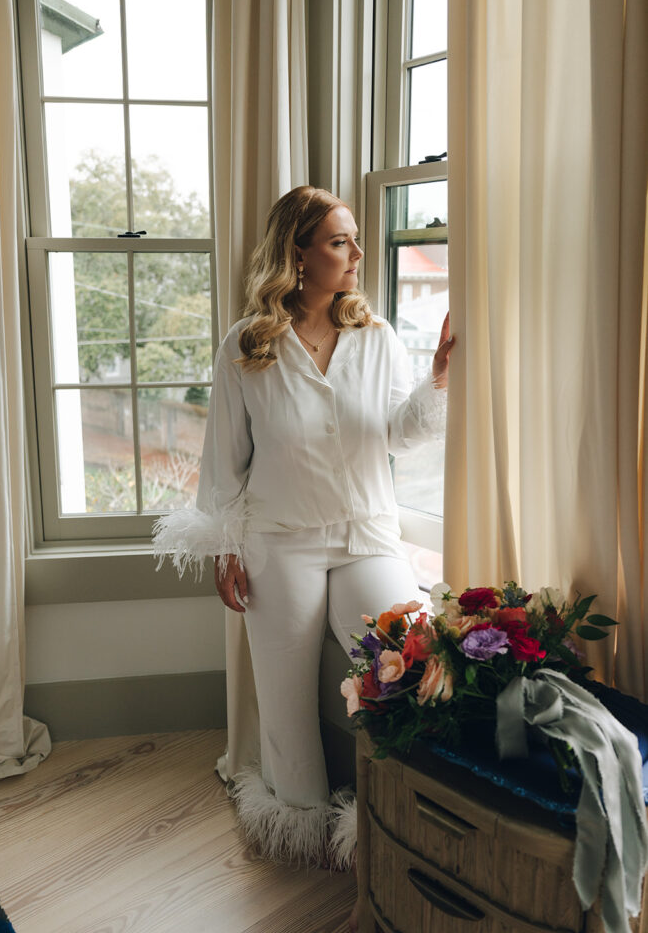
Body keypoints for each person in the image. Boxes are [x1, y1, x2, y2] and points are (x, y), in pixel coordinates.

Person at [153, 185, 453, 876]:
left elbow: (397, 436)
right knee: (284, 696)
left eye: (352, 240)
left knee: (402, 665)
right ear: (298, 253)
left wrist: (437, 380)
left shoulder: (374, 339)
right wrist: (224, 548)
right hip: (277, 540)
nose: (354, 254)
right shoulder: (247, 344)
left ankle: (391, 819)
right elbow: (223, 460)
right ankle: (300, 824)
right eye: (338, 241)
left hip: (365, 536)